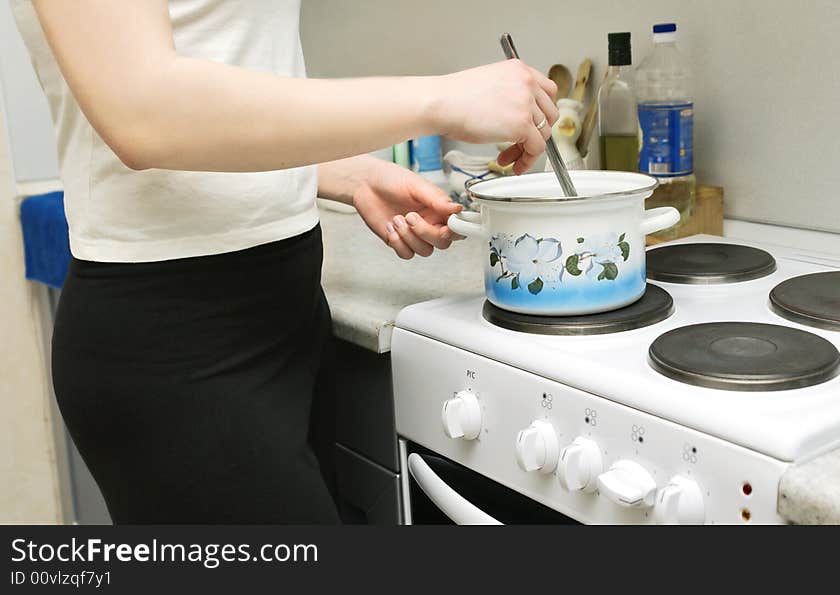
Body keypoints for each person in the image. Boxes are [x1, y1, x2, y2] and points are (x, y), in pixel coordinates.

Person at [11, 0, 558, 523]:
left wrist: (344, 173)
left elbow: (221, 64)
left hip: (286, 308)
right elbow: (141, 110)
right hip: (173, 343)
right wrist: (440, 99)